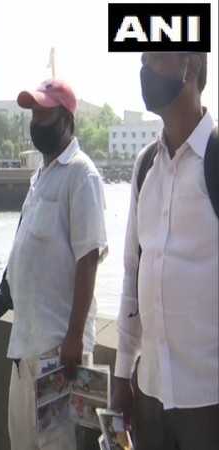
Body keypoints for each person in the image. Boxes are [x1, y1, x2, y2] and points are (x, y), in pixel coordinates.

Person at [111, 51, 218, 449]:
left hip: (209, 399)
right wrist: (123, 375)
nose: (145, 70)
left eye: (156, 58)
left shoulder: (216, 160)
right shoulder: (144, 167)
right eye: (143, 58)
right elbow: (131, 274)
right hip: (150, 394)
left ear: (191, 66)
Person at [5, 79, 108, 450]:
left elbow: (88, 257)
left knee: (57, 444)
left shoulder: (82, 175)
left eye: (45, 114)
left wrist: (75, 339)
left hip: (57, 353)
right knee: (25, 443)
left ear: (66, 120)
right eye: (34, 114)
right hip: (25, 348)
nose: (36, 122)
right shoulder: (40, 176)